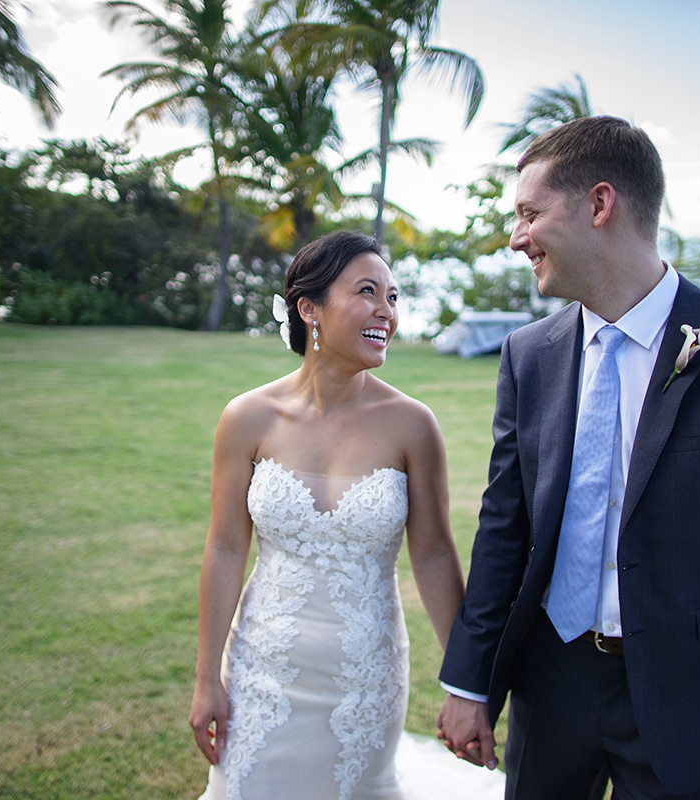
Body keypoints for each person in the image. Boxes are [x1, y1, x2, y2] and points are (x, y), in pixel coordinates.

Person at [436, 116, 700, 800]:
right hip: (551, 683)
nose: (515, 237)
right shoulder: (528, 354)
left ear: (600, 204)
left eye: (530, 214)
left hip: (685, 694)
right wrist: (467, 679)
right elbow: (504, 528)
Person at [189, 231, 477, 800]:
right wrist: (206, 680)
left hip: (365, 679)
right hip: (260, 673)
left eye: (393, 297)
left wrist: (466, 685)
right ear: (308, 308)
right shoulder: (247, 418)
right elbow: (224, 548)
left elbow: (436, 554)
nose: (385, 312)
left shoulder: (413, 425)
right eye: (367, 292)